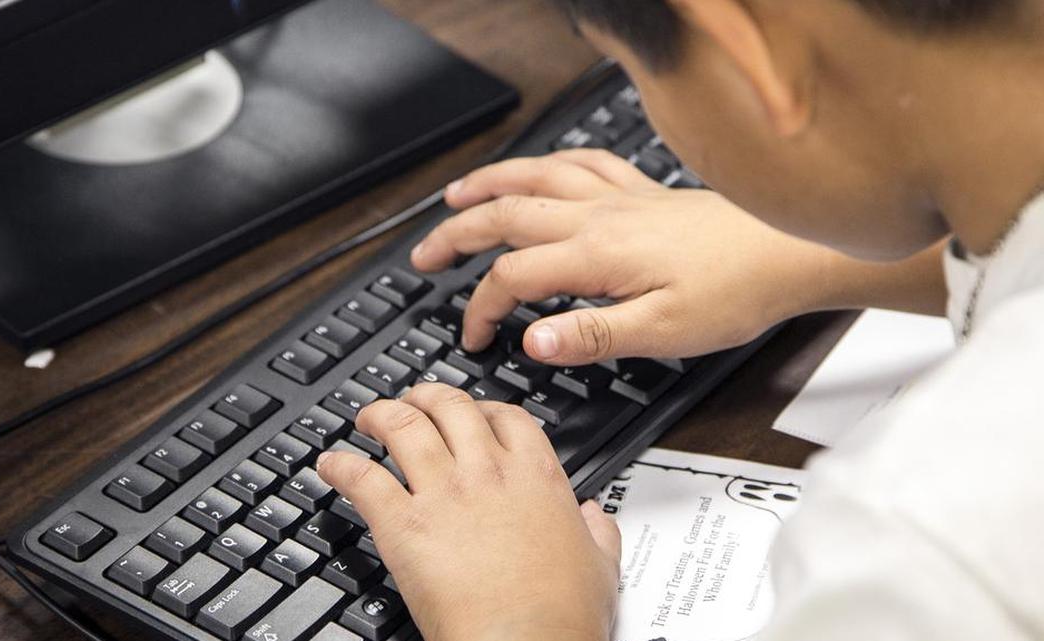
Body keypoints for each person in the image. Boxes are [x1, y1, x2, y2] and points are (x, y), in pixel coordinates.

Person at [316, 0, 1044, 639]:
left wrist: (525, 618)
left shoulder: (929, 541)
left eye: (632, 71)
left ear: (748, 49)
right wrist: (811, 247)